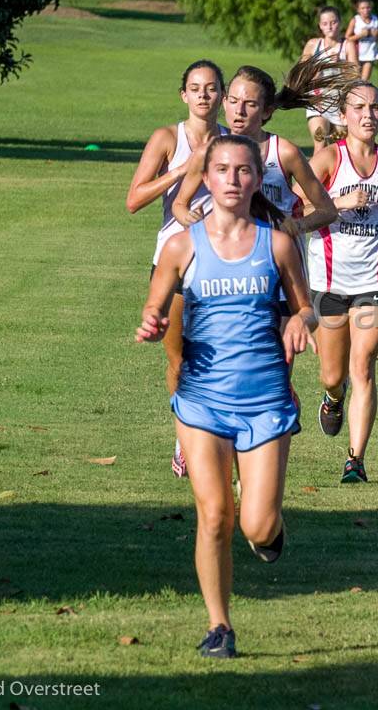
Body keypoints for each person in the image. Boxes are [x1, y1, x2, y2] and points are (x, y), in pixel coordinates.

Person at [136, 135, 322, 658]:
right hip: (201, 399)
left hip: (264, 398)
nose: (233, 181)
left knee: (256, 523)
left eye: (243, 171)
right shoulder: (180, 245)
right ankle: (219, 626)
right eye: (222, 170)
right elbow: (156, 308)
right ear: (206, 178)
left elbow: (306, 307)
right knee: (214, 513)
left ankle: (270, 533)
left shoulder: (278, 242)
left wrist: (300, 325)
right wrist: (152, 325)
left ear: (258, 177)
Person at [304, 81, 378, 483]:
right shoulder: (326, 160)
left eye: (375, 107)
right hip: (329, 280)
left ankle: (356, 460)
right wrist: (338, 203)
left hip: (375, 278)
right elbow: (299, 209)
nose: (368, 115)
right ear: (345, 116)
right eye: (360, 108)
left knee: (363, 366)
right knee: (333, 375)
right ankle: (333, 398)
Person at [125, 59, 228, 478]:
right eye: (195, 87)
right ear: (184, 95)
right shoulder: (168, 138)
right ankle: (184, 436)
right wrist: (181, 170)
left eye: (211, 88)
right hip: (174, 262)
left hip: (222, 264)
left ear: (222, 96)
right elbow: (134, 199)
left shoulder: (234, 141)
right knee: (180, 360)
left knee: (220, 357)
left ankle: (215, 437)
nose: (203, 94)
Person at [171, 62, 347, 243]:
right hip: (231, 260)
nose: (239, 111)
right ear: (224, 102)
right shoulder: (209, 151)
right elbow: (179, 204)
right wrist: (190, 219)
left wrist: (296, 227)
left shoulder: (285, 152)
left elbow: (327, 211)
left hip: (280, 264)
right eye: (233, 101)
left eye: (250, 104)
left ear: (266, 111)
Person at [300, 6, 348, 153]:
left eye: (333, 22)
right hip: (317, 100)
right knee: (320, 143)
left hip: (339, 102)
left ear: (340, 22)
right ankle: (313, 176)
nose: (330, 26)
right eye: (325, 23)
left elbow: (354, 76)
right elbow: (302, 71)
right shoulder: (313, 44)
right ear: (320, 26)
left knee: (339, 147)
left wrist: (339, 63)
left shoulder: (347, 45)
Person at [344, 0, 378, 81]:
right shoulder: (355, 20)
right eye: (363, 8)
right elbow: (347, 37)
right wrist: (360, 35)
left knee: (364, 82)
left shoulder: (375, 19)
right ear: (358, 10)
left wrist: (377, 34)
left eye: (368, 7)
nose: (366, 10)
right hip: (356, 54)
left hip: (370, 54)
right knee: (354, 80)